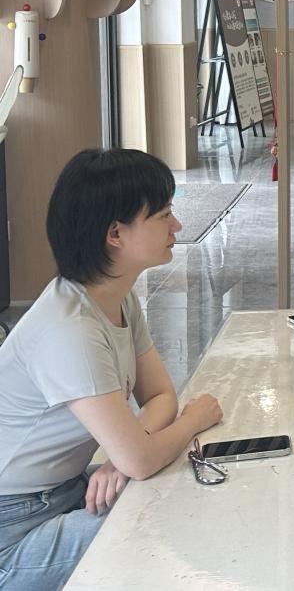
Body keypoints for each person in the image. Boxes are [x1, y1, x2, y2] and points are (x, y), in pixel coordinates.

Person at [0, 149, 223, 589]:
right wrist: (192, 421)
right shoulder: (71, 330)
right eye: (164, 215)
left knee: (168, 487)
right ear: (115, 234)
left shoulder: (116, 297)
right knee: (167, 516)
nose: (177, 225)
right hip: (13, 528)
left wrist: (125, 459)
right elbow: (143, 455)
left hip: (62, 491)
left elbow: (160, 397)